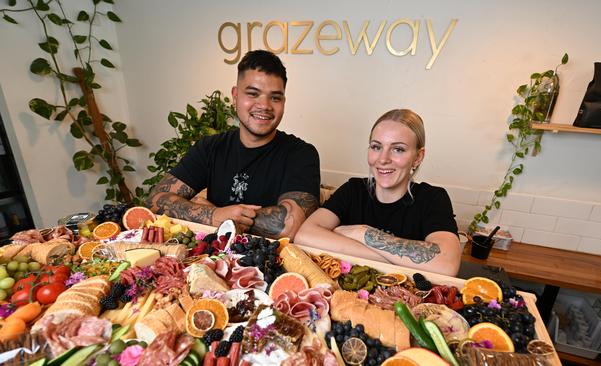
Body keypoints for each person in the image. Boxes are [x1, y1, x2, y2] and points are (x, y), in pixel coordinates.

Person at [146, 50, 320, 240]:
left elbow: (287, 225)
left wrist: (220, 215)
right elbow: (155, 199)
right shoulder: (210, 147)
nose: (264, 105)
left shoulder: (301, 154)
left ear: (283, 102)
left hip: (271, 264)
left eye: (275, 97)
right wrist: (213, 215)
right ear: (235, 95)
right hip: (209, 258)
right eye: (253, 94)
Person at [295, 109, 461, 276]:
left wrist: (361, 233)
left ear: (418, 157)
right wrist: (393, 260)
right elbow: (304, 235)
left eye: (398, 149)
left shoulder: (432, 198)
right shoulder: (354, 190)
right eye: (376, 147)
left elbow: (446, 264)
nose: (383, 159)